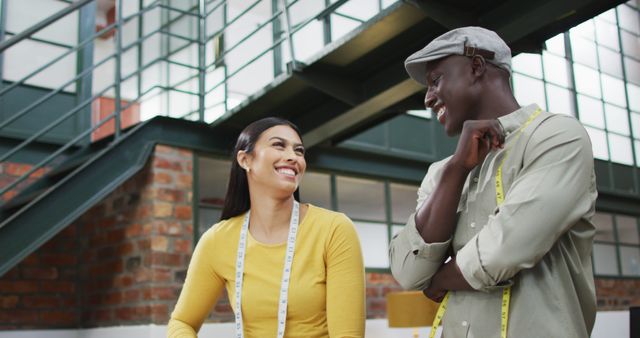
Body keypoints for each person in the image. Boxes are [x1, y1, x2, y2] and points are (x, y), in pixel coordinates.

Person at [389, 27, 597, 337]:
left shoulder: (556, 137)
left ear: (476, 67)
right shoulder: (443, 172)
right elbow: (408, 273)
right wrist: (457, 170)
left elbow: (506, 247)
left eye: (436, 81)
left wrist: (440, 280)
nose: (428, 98)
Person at [168, 117, 365, 338]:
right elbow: (181, 321)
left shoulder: (334, 229)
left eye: (299, 151)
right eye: (278, 145)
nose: (293, 157)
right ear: (245, 160)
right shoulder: (218, 240)